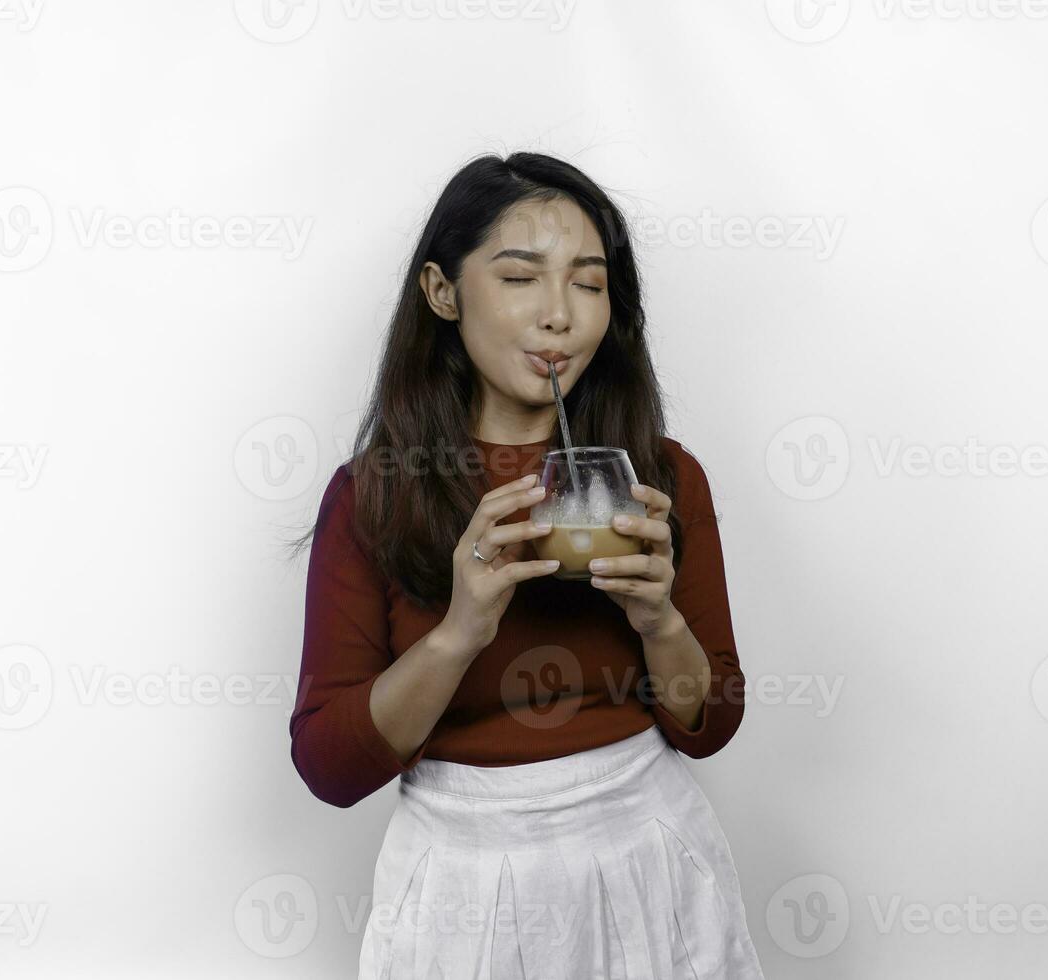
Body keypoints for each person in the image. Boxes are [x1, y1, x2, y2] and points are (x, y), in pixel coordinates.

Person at [288, 151, 766, 978]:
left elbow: (712, 725)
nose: (560, 316)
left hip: (650, 857)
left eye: (588, 282)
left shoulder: (662, 477)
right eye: (520, 278)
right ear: (443, 293)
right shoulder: (372, 497)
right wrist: (458, 633)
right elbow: (330, 767)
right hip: (461, 887)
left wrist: (660, 622)